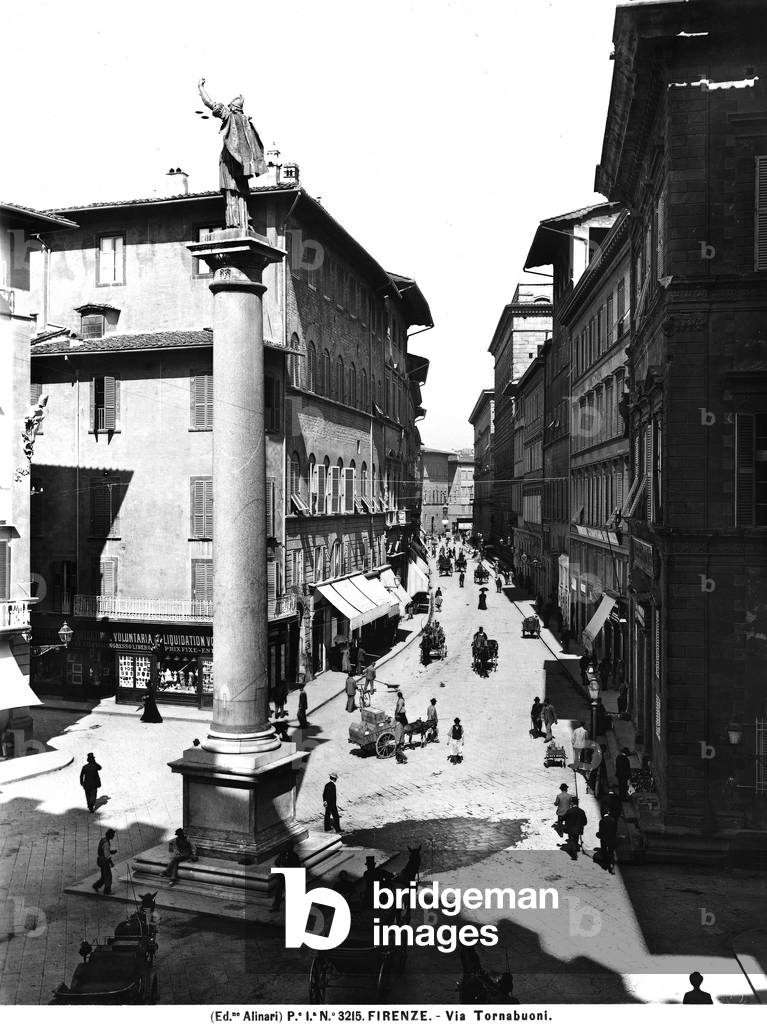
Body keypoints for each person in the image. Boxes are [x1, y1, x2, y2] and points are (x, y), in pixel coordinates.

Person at [197, 77, 267, 230]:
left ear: (232, 107)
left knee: (230, 192)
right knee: (241, 193)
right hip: (243, 165)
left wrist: (200, 88)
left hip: (229, 162)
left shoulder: (230, 116)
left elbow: (209, 103)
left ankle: (234, 223)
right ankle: (244, 223)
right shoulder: (246, 122)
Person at [271, 842, 300, 910]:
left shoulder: (294, 856)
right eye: (287, 848)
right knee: (278, 891)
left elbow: (297, 866)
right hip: (282, 876)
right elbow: (276, 862)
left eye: (289, 848)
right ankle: (276, 906)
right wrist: (281, 866)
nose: (287, 849)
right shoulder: (283, 854)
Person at [93, 828, 117, 895]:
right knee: (108, 876)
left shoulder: (103, 840)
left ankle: (96, 885)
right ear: (110, 835)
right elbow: (106, 855)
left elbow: (103, 850)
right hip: (104, 861)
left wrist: (111, 851)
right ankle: (107, 891)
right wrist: (111, 862)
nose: (113, 836)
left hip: (100, 860)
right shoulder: (106, 843)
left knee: (104, 876)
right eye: (113, 835)